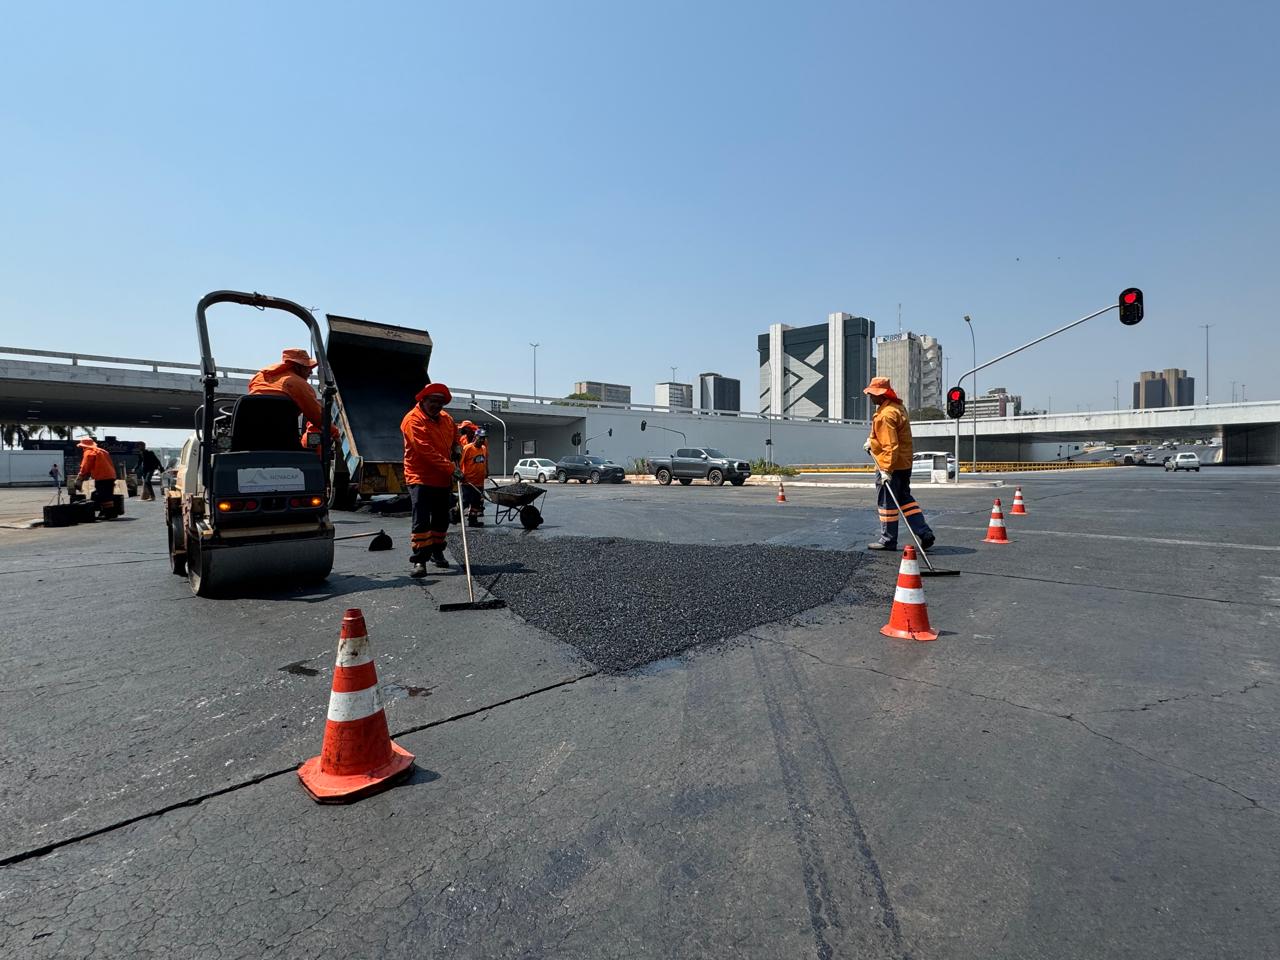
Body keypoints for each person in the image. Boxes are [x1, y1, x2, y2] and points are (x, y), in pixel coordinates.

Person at [863, 376, 935, 552]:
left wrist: (886, 470)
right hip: (904, 464)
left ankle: (888, 540)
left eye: (873, 394)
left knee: (887, 504)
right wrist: (872, 442)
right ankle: (924, 532)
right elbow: (892, 440)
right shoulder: (897, 408)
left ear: (881, 395)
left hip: (890, 466)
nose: (870, 397)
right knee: (905, 499)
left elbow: (890, 445)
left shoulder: (885, 415)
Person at [401, 382, 461, 577]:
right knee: (421, 520)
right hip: (420, 477)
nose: (437, 406)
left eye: (440, 403)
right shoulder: (413, 420)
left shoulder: (446, 419)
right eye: (433, 401)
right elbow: (426, 451)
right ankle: (420, 560)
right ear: (423, 400)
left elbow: (455, 436)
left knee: (441, 519)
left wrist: (457, 448)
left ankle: (437, 552)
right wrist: (452, 468)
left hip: (442, 479)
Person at [76, 437, 118, 518]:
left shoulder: (89, 452)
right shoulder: (103, 451)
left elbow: (85, 466)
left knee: (103, 495)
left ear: (84, 446)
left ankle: (109, 514)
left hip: (101, 477)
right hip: (111, 475)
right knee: (107, 494)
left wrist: (80, 477)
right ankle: (107, 512)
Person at [459, 428, 489, 526]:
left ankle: (473, 520)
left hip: (479, 481)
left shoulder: (483, 448)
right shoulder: (467, 448)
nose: (482, 440)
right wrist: (459, 474)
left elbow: (484, 461)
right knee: (465, 501)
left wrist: (486, 470)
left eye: (483, 438)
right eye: (480, 438)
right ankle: (454, 513)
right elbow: (460, 462)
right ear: (475, 437)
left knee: (476, 502)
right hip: (468, 481)